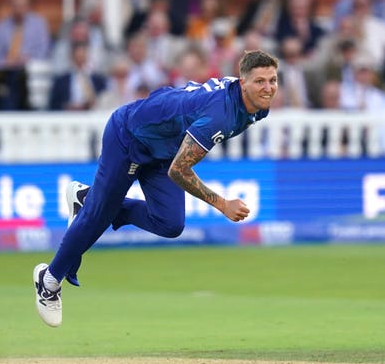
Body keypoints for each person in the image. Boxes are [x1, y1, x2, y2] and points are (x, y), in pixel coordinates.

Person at [33, 50, 279, 327]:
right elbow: (179, 170)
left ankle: (87, 198)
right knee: (96, 217)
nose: (268, 88)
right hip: (130, 136)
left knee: (170, 223)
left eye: (272, 80)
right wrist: (222, 204)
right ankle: (49, 280)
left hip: (164, 146)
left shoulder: (258, 106)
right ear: (243, 82)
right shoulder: (220, 115)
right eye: (260, 81)